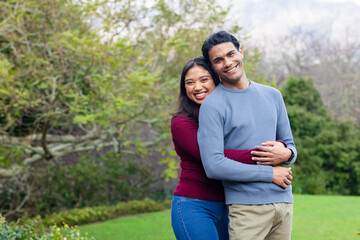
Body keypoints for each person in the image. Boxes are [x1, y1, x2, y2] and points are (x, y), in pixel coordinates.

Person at [171, 56, 293, 240]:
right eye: (190, 82)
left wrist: (282, 148)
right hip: (195, 204)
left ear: (216, 80)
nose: (197, 87)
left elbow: (246, 140)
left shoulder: (226, 113)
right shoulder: (182, 123)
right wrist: (270, 154)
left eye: (204, 80)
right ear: (184, 88)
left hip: (231, 204)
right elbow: (212, 157)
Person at [197, 30, 297, 240]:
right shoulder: (212, 106)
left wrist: (286, 154)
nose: (227, 62)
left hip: (284, 201)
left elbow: (291, 147)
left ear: (241, 52)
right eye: (218, 60)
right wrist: (269, 174)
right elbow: (214, 165)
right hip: (247, 208)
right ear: (213, 67)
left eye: (231, 54)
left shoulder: (273, 95)